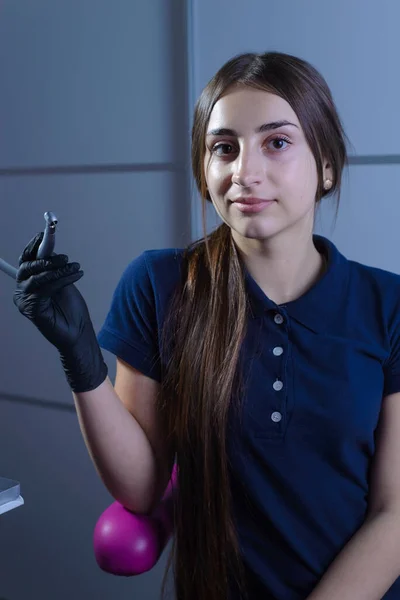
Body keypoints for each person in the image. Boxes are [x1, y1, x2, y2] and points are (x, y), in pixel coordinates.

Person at [13, 51, 400, 600]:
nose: (245, 171)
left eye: (278, 142)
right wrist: (78, 355)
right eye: (224, 148)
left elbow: (396, 513)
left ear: (328, 165)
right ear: (205, 168)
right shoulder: (159, 283)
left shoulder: (388, 305)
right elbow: (142, 489)